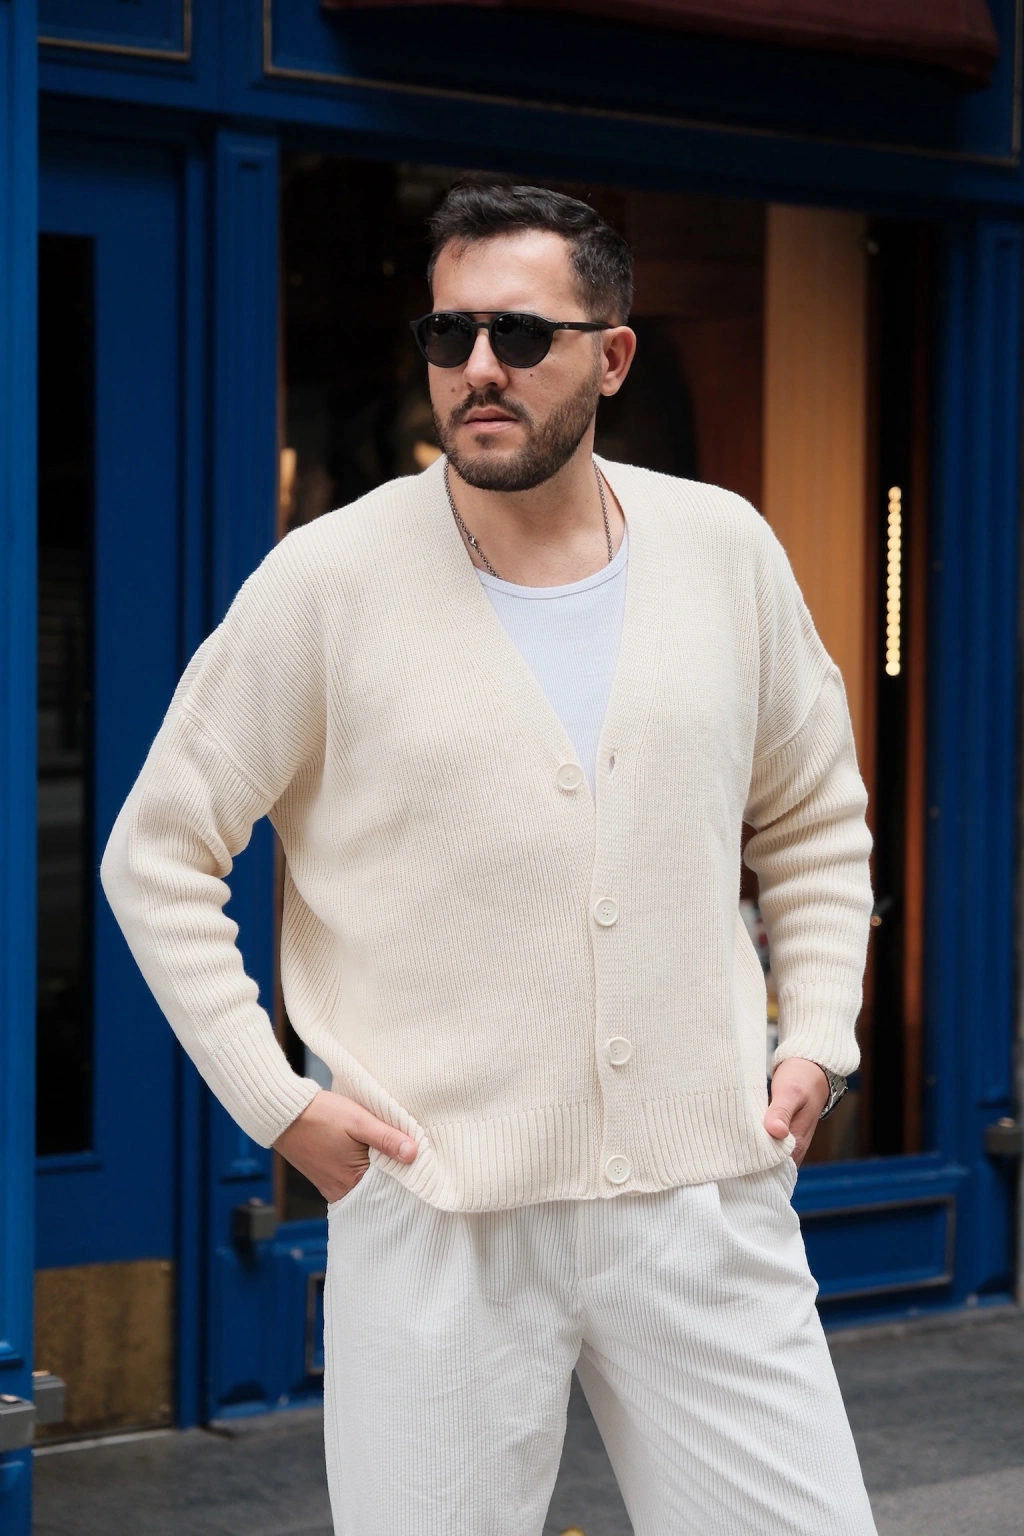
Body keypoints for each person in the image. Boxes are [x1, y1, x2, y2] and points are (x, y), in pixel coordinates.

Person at [101, 181, 877, 1536]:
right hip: (438, 1208)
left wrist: (816, 1034)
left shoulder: (725, 551)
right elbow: (155, 853)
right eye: (447, 333)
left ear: (612, 357)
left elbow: (813, 816)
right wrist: (275, 1104)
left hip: (705, 1190)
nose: (477, 369)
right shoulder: (328, 580)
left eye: (520, 336)